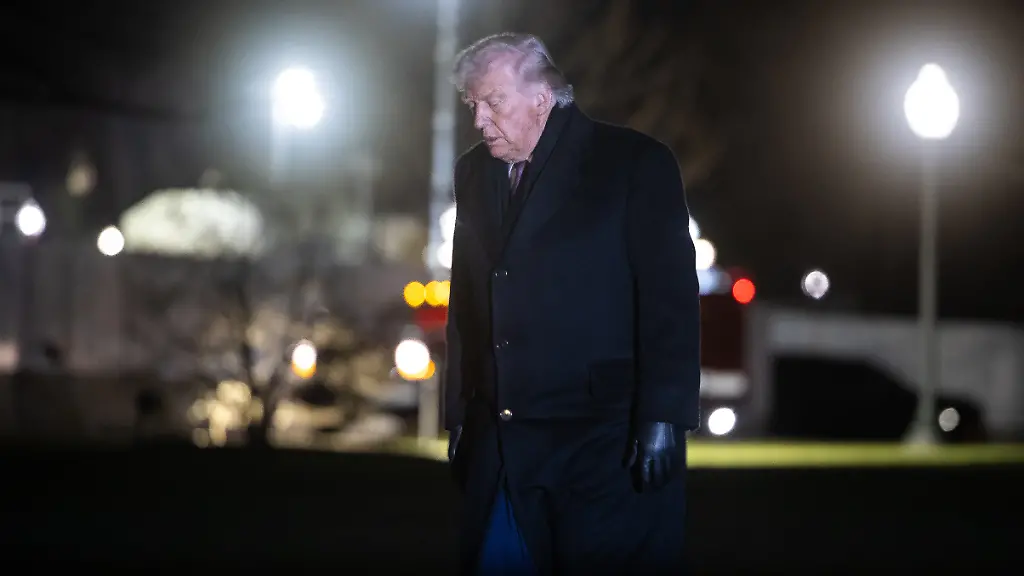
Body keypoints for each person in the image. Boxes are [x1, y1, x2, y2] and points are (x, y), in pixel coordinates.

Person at [444, 32, 701, 575]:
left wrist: (662, 414)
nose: (479, 120)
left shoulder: (635, 163)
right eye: (473, 105)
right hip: (500, 437)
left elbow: (669, 299)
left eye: (493, 103)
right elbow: (464, 300)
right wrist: (459, 410)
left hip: (601, 440)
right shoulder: (473, 172)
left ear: (542, 97)